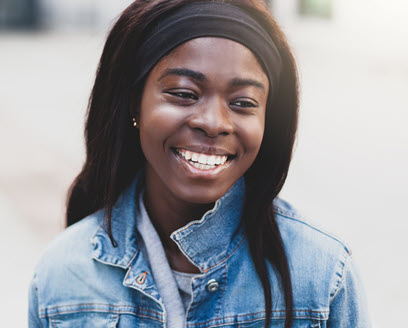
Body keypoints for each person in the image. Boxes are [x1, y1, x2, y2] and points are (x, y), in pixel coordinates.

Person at [28, 0, 371, 327]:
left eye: (243, 102)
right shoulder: (62, 275)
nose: (213, 121)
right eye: (183, 93)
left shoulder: (323, 275)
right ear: (135, 104)